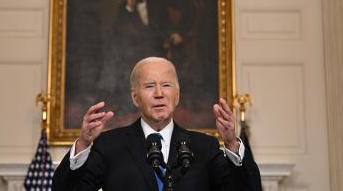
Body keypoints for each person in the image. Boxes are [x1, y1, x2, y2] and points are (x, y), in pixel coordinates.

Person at [52, 57, 262, 191]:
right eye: (150, 86)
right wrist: (83, 145)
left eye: (166, 85)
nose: (159, 93)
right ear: (135, 98)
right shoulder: (109, 146)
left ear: (177, 95)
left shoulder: (204, 147)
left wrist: (232, 143)